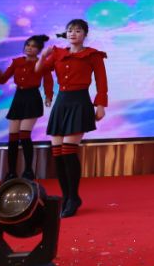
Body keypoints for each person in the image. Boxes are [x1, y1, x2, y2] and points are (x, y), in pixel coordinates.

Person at [37, 19, 107, 217]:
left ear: (85, 34)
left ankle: (74, 197)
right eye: (69, 31)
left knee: (69, 151)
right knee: (57, 154)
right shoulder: (58, 53)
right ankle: (67, 197)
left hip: (79, 102)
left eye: (77, 31)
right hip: (61, 103)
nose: (73, 34)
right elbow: (40, 71)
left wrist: (100, 105)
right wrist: (43, 56)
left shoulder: (93, 55)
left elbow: (101, 81)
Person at [0, 34, 53, 180]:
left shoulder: (42, 63)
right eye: (28, 45)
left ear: (39, 50)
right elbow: (3, 79)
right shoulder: (17, 62)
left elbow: (48, 81)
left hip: (32, 98)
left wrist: (48, 96)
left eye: (33, 46)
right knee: (13, 137)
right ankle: (11, 172)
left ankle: (28, 170)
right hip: (18, 98)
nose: (29, 48)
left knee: (24, 135)